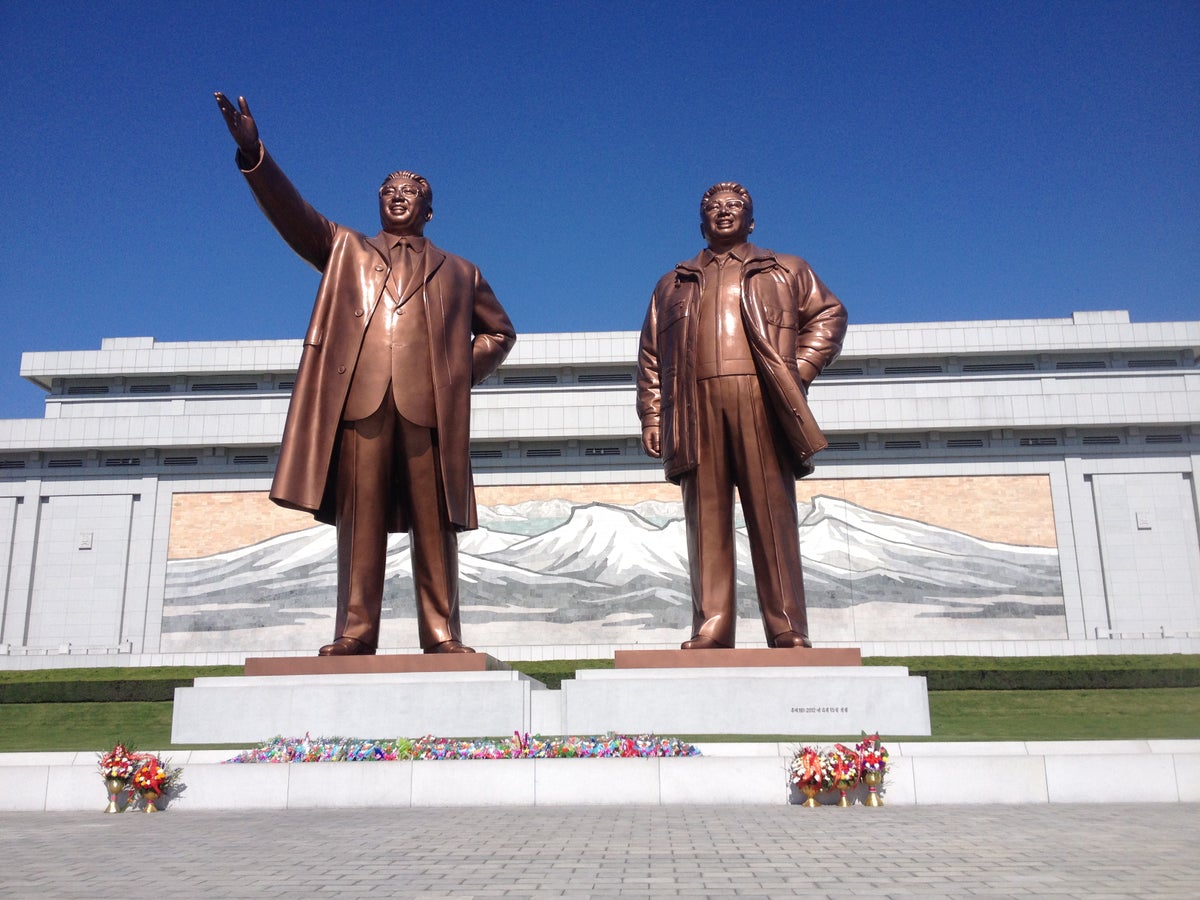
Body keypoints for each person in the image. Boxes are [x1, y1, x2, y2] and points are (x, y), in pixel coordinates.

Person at [215, 93, 516, 656]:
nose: (399, 198)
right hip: (361, 404)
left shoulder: (461, 272)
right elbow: (292, 215)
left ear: (431, 210)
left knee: (435, 525)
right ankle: (355, 631)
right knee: (360, 523)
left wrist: (453, 374)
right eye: (389, 191)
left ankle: (442, 632)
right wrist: (255, 153)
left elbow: (500, 333)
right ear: (377, 202)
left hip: (427, 408)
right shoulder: (345, 249)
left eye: (412, 193)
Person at [636, 182, 846, 649]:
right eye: (713, 207)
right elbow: (651, 355)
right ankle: (711, 625)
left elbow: (830, 315)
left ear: (751, 220)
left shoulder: (786, 269)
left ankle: (787, 625)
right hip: (694, 408)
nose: (724, 213)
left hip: (760, 400)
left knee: (772, 515)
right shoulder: (673, 282)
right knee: (705, 520)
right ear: (701, 220)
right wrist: (653, 417)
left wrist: (798, 370)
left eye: (735, 207)